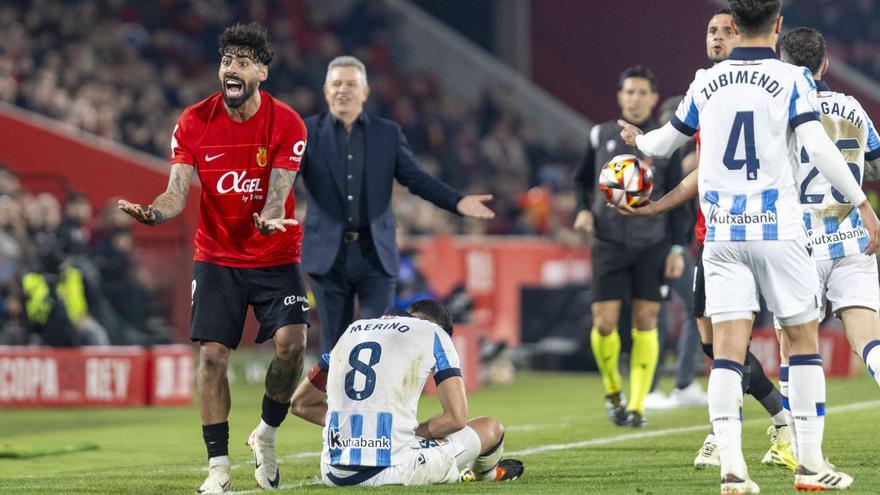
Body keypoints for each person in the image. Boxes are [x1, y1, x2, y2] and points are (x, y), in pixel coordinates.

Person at [617, 0, 880, 491]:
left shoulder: (704, 82)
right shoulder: (792, 80)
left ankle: (733, 473)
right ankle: (811, 466)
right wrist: (863, 204)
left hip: (720, 238)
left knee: (728, 354)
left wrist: (638, 140)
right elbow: (820, 149)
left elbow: (662, 145)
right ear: (777, 26)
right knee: (801, 345)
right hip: (779, 233)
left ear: (734, 26)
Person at [117, 23, 310, 493]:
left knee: (292, 345)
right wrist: (155, 214)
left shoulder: (287, 123)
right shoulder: (192, 122)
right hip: (218, 256)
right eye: (227, 60)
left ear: (262, 71)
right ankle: (218, 467)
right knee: (212, 357)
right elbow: (176, 191)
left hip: (275, 253)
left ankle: (265, 433)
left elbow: (279, 190)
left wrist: (267, 218)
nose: (231, 68)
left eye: (243, 61)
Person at [619, 9, 793, 471]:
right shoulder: (712, 91)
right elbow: (703, 171)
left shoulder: (728, 89)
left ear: (744, 33)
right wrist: (659, 204)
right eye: (711, 31)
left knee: (738, 344)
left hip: (748, 233)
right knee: (718, 346)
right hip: (713, 234)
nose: (716, 37)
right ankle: (780, 420)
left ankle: (743, 434)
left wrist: (645, 145)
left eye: (726, 29)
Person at [299, 56, 495, 355]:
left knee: (378, 340)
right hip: (327, 252)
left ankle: (375, 404)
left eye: (351, 84)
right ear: (326, 90)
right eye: (336, 84)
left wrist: (456, 201)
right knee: (334, 346)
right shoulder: (305, 131)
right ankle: (330, 403)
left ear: (365, 91)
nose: (343, 90)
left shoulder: (386, 133)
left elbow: (415, 177)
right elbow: (282, 175)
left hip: (375, 252)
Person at [778, 23, 880, 458]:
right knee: (869, 341)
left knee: (794, 346)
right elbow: (874, 162)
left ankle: (794, 445)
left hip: (800, 242)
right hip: (854, 239)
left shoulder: (779, 106)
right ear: (824, 63)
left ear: (783, 63)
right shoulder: (854, 107)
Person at [289, 299, 524, 487]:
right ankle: (486, 475)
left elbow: (300, 404)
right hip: (392, 468)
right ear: (438, 326)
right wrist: (409, 434)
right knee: (491, 428)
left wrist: (355, 424)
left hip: (333, 470)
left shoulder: (354, 330)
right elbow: (456, 418)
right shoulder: (434, 333)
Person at [573, 65, 690, 427]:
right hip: (608, 242)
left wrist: (675, 249)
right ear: (620, 96)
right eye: (629, 92)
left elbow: (680, 199)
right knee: (604, 324)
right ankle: (613, 392)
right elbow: (581, 181)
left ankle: (638, 404)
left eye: (642, 92)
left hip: (652, 244)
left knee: (646, 321)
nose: (635, 98)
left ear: (654, 99)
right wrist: (582, 211)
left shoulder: (665, 141)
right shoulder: (600, 135)